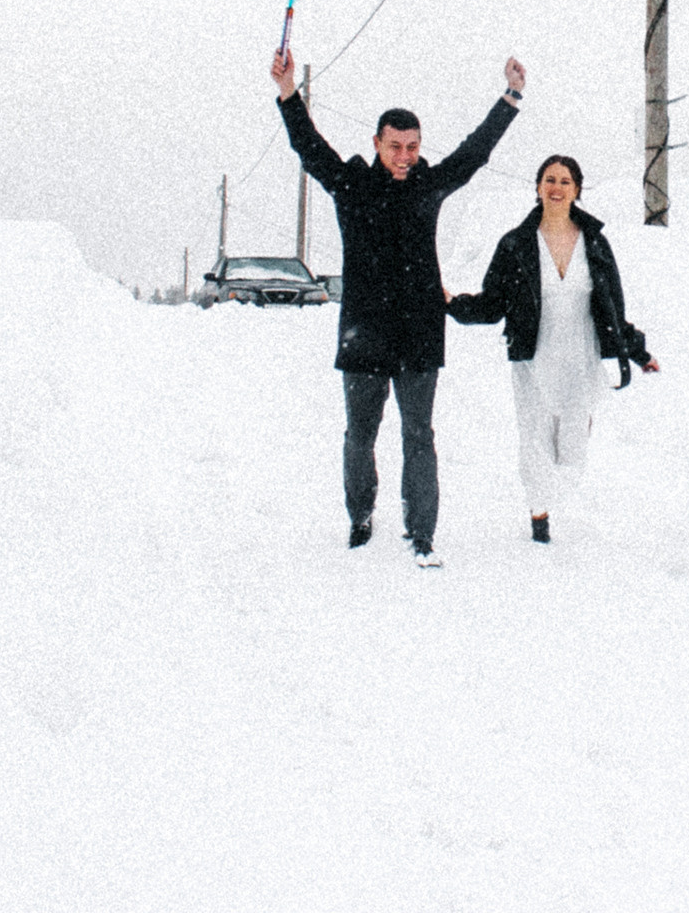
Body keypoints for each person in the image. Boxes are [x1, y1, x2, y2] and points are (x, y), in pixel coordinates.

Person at [271, 43, 523, 567]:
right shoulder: (352, 185)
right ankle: (360, 518)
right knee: (360, 435)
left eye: (412, 146)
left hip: (419, 330)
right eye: (395, 146)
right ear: (377, 143)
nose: (406, 156)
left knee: (419, 435)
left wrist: (511, 97)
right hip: (364, 330)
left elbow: (473, 154)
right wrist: (288, 91)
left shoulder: (429, 184)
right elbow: (309, 147)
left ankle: (422, 531)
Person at [448, 154, 656, 545]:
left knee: (572, 454)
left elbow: (613, 306)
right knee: (534, 441)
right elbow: (492, 304)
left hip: (581, 355)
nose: (556, 187)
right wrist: (452, 303)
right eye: (549, 179)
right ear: (538, 187)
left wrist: (637, 352)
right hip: (533, 356)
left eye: (564, 181)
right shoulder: (515, 244)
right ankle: (538, 511)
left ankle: (549, 493)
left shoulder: (594, 242)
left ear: (577, 190)